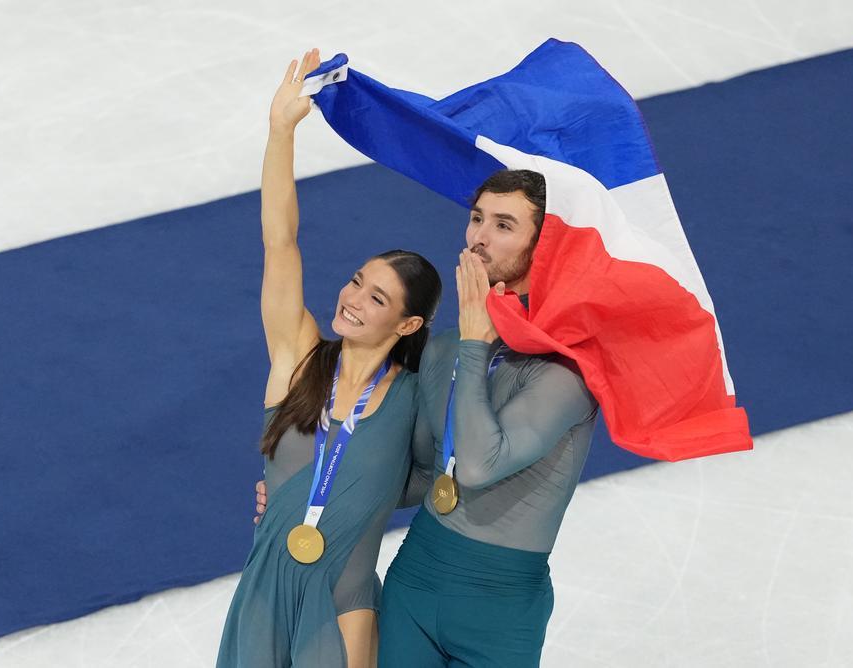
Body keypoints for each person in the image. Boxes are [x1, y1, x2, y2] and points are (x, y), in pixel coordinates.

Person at [256, 169, 599, 667]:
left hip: (500, 604)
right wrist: (294, 493)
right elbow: (412, 473)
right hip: (414, 579)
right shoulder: (442, 351)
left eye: (503, 225)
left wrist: (477, 347)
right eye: (477, 218)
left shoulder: (566, 367)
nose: (479, 236)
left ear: (544, 244)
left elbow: (479, 464)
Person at [217, 48, 442, 668]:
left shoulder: (413, 395)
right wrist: (281, 132)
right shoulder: (297, 356)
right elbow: (279, 241)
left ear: (409, 323)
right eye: (355, 281)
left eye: (377, 298)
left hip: (347, 604)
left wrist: (361, 496)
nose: (352, 299)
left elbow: (434, 477)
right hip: (264, 590)